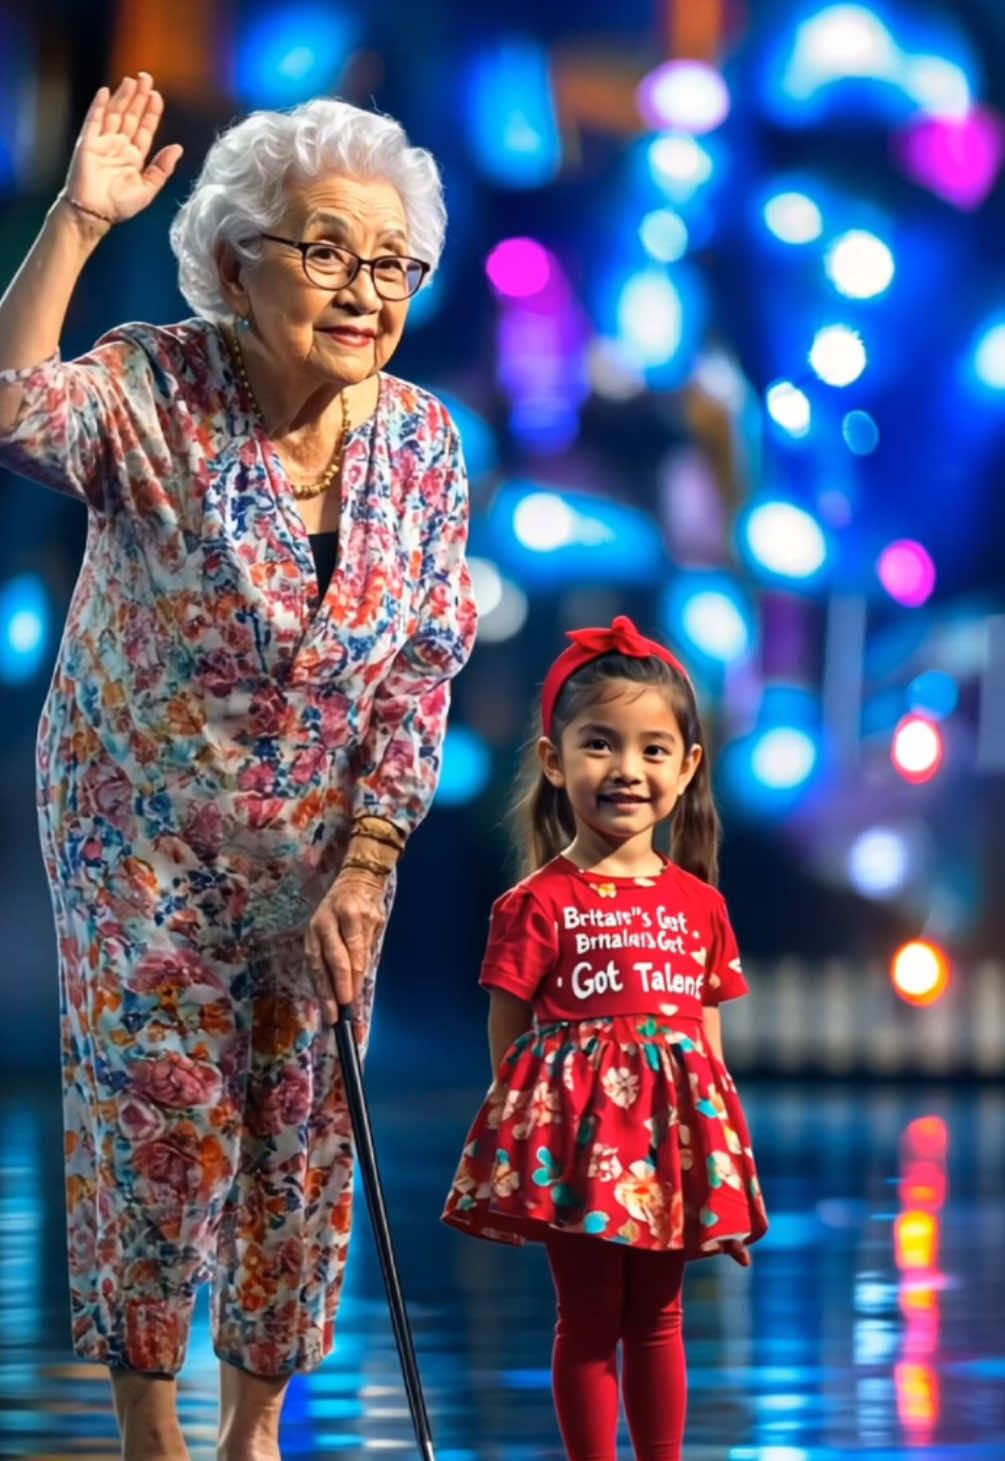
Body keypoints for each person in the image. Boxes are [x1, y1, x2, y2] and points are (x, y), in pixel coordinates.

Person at [0, 73, 476, 1460]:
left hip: (327, 845)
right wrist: (76, 226)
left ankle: (254, 1433)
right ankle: (155, 1432)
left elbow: (419, 671)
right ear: (236, 262)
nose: (362, 289)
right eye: (326, 251)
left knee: (303, 1121)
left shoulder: (426, 445)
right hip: (136, 828)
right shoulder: (155, 384)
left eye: (390, 264)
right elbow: (12, 405)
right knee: (158, 1115)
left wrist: (372, 859)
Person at [442, 615, 767, 1461]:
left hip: (668, 1145)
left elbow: (705, 1039)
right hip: (578, 1147)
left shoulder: (702, 906)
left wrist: (721, 1156)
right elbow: (509, 1029)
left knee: (659, 1317)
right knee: (586, 1318)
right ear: (554, 759)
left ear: (687, 766)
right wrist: (520, 1134)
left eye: (653, 749)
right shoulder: (535, 903)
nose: (626, 769)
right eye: (599, 744)